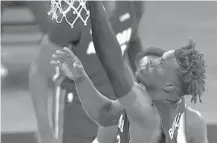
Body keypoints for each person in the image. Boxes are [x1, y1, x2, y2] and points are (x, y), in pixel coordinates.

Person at [51, 1, 208, 143]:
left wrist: (95, 5)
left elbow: (113, 63)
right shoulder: (151, 101)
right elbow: (105, 114)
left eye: (161, 64)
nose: (152, 61)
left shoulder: (147, 111)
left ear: (169, 87)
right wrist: (80, 78)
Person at [29, 1, 144, 143]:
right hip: (76, 113)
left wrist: (145, 85)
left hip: (116, 109)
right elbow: (38, 71)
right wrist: (45, 130)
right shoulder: (71, 18)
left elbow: (133, 39)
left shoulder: (133, 4)